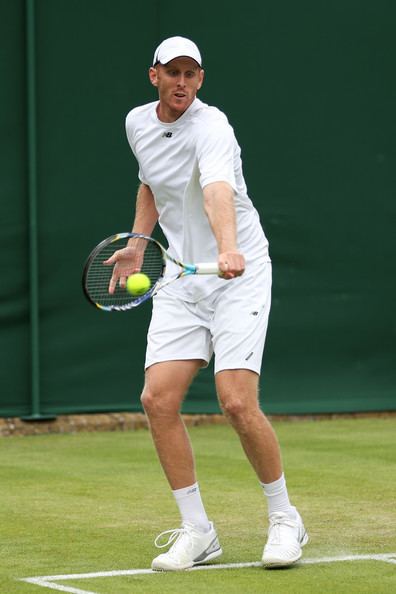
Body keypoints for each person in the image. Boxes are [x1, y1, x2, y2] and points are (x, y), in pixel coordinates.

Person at [108, 36, 308, 571]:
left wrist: (227, 249)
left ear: (200, 79)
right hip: (182, 275)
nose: (181, 83)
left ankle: (286, 519)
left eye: (190, 74)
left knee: (236, 401)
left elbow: (216, 189)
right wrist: (136, 242)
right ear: (154, 75)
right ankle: (198, 531)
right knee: (157, 399)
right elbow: (152, 183)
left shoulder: (213, 126)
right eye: (172, 72)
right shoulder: (136, 123)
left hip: (237, 272)